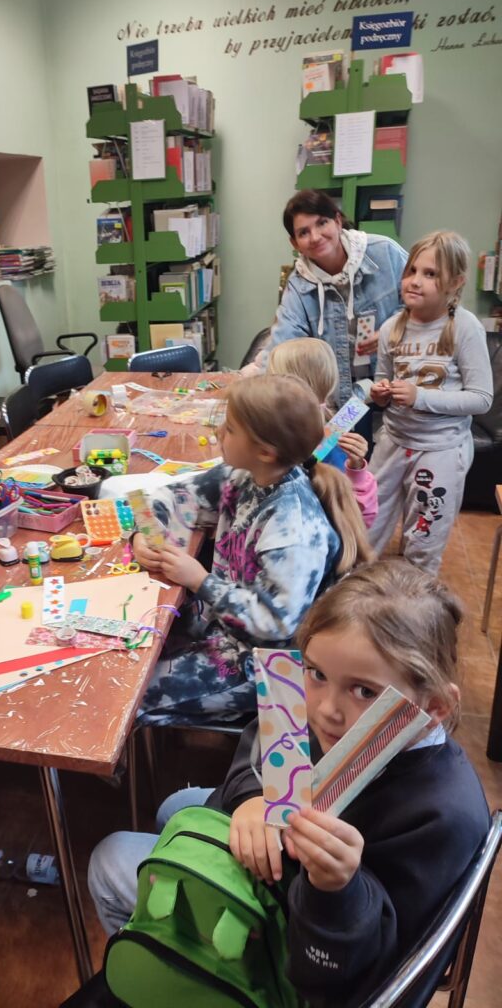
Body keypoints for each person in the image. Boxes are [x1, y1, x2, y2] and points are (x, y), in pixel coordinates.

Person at [88, 560, 490, 1006]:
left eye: (365, 691)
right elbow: (257, 750)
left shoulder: (442, 817)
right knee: (176, 806)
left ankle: (177, 972)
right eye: (316, 673)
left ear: (434, 707)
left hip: (300, 950)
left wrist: (337, 888)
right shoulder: (340, 719)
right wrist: (252, 798)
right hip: (286, 870)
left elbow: (366, 983)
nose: (325, 711)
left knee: (109, 858)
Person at [131, 374, 373, 727]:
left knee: (130, 694)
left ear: (265, 451)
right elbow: (166, 495)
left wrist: (200, 581)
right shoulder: (243, 476)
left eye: (229, 429)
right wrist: (142, 535)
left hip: (263, 665)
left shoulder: (293, 529)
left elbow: (274, 623)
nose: (218, 434)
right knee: (131, 654)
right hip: (220, 627)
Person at [368, 231, 493, 573]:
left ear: (456, 282)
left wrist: (420, 397)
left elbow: (481, 398)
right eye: (411, 270)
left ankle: (415, 600)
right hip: (393, 442)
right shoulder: (391, 328)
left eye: (430, 274)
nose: (415, 281)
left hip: (441, 450)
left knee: (424, 540)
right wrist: (379, 393)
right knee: (365, 524)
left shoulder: (465, 328)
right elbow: (382, 379)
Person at [246, 190, 408, 410]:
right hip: (344, 399)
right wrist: (253, 396)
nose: (315, 237)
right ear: (295, 243)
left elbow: (428, 303)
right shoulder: (298, 287)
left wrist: (392, 330)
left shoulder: (384, 252)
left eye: (322, 223)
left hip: (397, 389)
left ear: (338, 221)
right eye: (304, 232)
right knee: (340, 433)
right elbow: (280, 345)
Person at [267, 337, 378, 525]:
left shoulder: (331, 445)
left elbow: (358, 518)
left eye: (271, 378)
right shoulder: (283, 431)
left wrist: (356, 468)